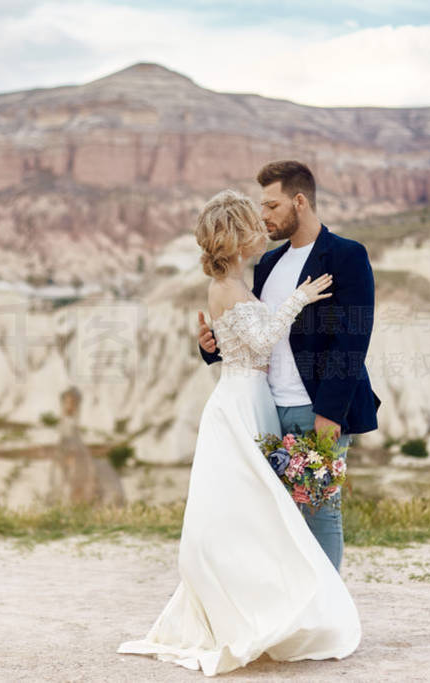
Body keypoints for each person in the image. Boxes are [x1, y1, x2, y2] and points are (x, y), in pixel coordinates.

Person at [117, 189, 361, 676]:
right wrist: (300, 298)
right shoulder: (230, 287)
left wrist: (216, 342)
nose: (262, 227)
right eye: (255, 221)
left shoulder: (241, 280)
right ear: (237, 237)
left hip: (258, 400)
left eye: (267, 212)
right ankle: (278, 610)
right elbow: (261, 337)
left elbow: (242, 337)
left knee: (271, 513)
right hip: (242, 404)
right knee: (250, 511)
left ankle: (300, 605)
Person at [198, 160, 381, 571]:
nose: (263, 216)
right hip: (263, 413)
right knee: (271, 523)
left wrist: (329, 413)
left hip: (313, 409)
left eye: (272, 205)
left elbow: (353, 339)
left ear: (300, 202)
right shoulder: (266, 265)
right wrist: (210, 347)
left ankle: (326, 618)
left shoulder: (346, 256)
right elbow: (250, 332)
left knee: (321, 514)